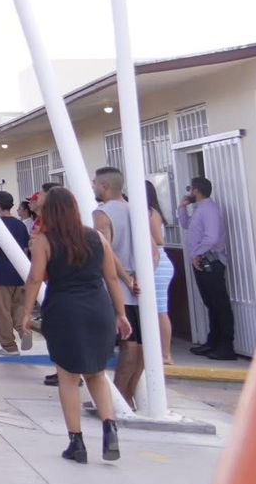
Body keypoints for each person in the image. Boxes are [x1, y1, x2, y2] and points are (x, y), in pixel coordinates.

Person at [22, 186, 127, 463]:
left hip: (65, 309)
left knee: (68, 376)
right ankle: (110, 429)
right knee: (96, 373)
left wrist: (26, 312)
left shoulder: (44, 241)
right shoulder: (96, 238)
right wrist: (121, 314)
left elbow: (35, 278)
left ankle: (76, 442)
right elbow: (111, 278)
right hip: (99, 308)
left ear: (50, 212)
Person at [92, 166, 144, 404]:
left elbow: (106, 250)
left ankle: (119, 398)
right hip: (140, 284)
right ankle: (128, 395)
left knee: (128, 343)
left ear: (104, 186)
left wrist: (126, 279)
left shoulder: (102, 214)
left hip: (121, 286)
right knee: (141, 344)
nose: (93, 187)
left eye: (95, 183)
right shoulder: (138, 210)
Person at [179, 175, 234, 360]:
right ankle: (213, 342)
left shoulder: (209, 209)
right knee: (210, 303)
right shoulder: (199, 209)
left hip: (212, 261)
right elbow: (185, 224)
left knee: (219, 304)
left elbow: (211, 237)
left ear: (196, 190)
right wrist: (182, 207)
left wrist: (196, 254)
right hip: (202, 261)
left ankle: (226, 346)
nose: (189, 192)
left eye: (190, 188)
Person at [0, 190, 32, 355]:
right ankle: (24, 331)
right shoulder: (20, 225)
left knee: (2, 311)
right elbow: (25, 249)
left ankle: (9, 346)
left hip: (0, 274)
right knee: (18, 307)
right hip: (19, 274)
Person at [143, 181, 175, 365]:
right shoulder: (148, 212)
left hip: (158, 264)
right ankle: (160, 351)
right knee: (156, 310)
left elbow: (160, 240)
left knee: (161, 310)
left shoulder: (151, 213)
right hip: (154, 264)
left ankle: (166, 354)